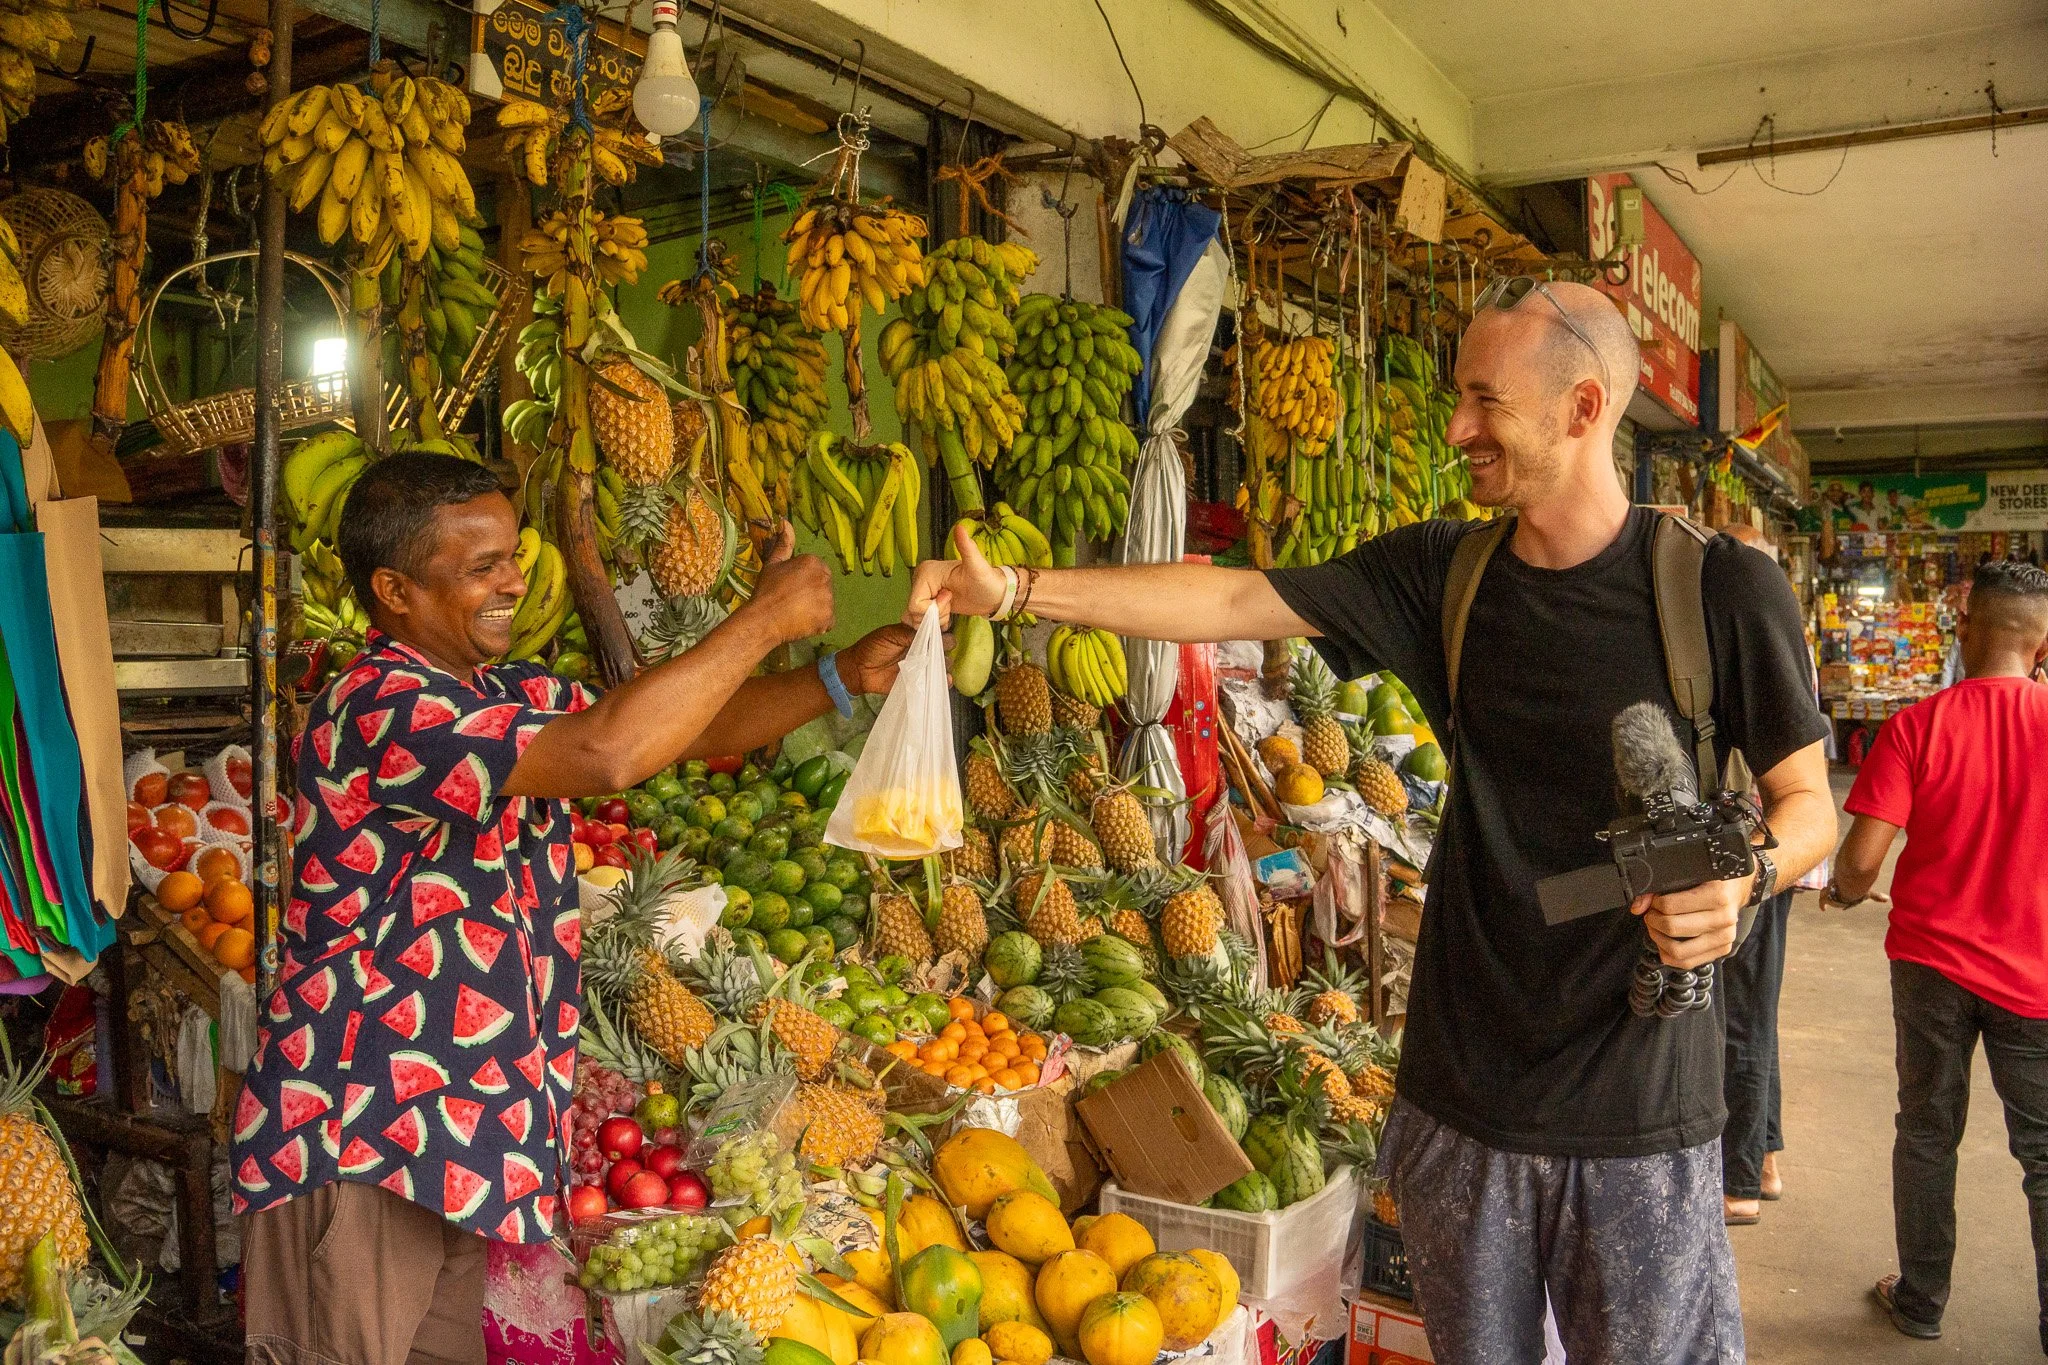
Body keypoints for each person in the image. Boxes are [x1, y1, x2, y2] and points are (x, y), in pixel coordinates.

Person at [908, 280, 1837, 1363]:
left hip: (1635, 1116)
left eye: (1484, 402)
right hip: (1457, 1104)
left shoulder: (1719, 588)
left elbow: (1806, 806)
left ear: (1583, 409)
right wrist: (1015, 591)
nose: (1457, 430)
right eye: (1457, 399)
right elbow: (1234, 600)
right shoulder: (1444, 574)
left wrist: (1743, 880)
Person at [228, 453, 911, 1365]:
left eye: (511, 556)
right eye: (482, 568)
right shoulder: (380, 706)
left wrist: (835, 679)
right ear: (393, 590)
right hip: (363, 1146)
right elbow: (607, 755)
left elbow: (682, 728)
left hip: (459, 1154)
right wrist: (760, 622)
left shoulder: (506, 693)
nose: (512, 581)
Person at [1826, 558, 2048, 1351]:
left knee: (1927, 1129)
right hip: (2038, 975)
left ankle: (1920, 1299)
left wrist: (1846, 893)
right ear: (2042, 645)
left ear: (1964, 630)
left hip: (1930, 967)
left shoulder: (1918, 725)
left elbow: (1858, 861)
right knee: (2045, 1152)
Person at [1716, 522, 1797, 1227]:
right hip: (1772, 856)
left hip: (1758, 856)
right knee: (1756, 1010)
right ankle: (1765, 1157)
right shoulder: (1775, 633)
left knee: (1740, 1016)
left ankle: (1737, 1180)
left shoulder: (1759, 639)